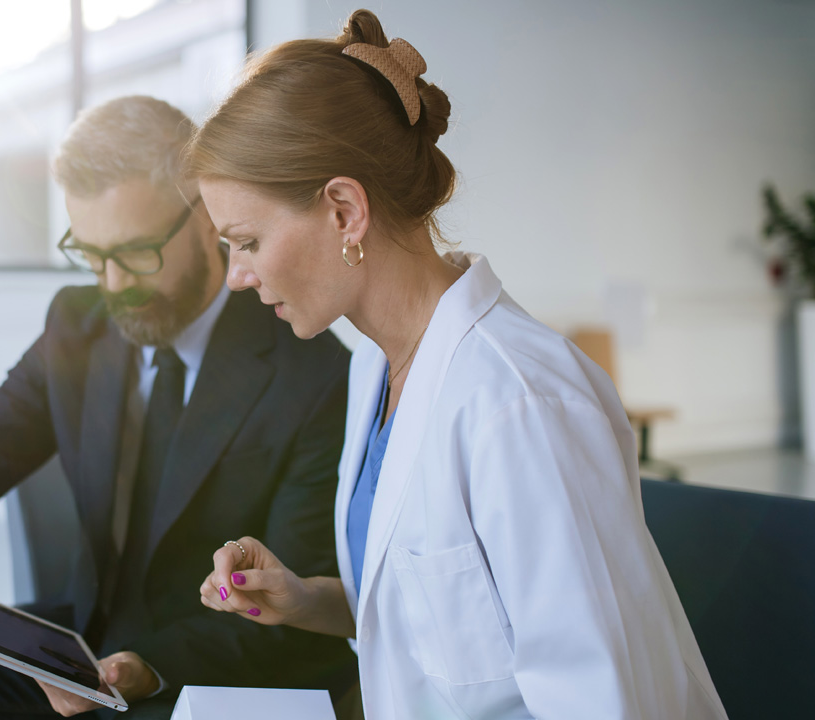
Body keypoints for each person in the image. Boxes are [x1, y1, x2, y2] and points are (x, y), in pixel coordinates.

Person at [191, 10, 728, 720]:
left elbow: (603, 700)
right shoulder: (374, 372)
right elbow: (457, 621)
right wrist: (309, 599)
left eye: (248, 240)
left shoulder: (521, 402)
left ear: (345, 211)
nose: (237, 276)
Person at [0, 96, 354, 719]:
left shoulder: (313, 371)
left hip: (213, 667)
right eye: (93, 256)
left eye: (136, 252)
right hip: (82, 642)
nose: (116, 284)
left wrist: (145, 668)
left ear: (207, 215)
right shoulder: (79, 322)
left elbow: (295, 607)